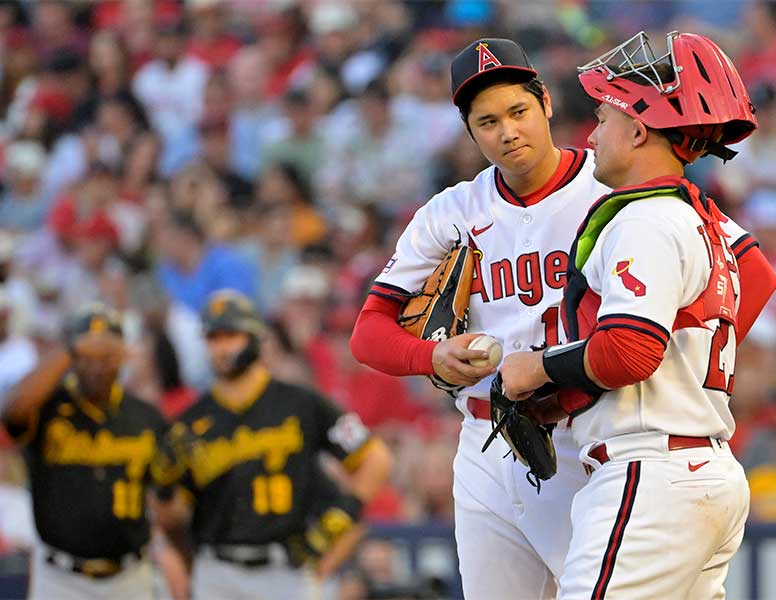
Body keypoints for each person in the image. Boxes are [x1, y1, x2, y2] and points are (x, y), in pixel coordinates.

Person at [499, 31, 776, 598]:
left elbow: (629, 350)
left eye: (603, 117)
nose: (592, 134)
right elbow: (758, 279)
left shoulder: (644, 218)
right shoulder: (697, 214)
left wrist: (541, 369)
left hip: (651, 473)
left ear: (639, 127)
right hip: (700, 467)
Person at [351, 38, 610, 599]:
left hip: (585, 433)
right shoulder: (451, 211)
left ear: (545, 103)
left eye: (518, 111)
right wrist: (430, 355)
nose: (508, 131)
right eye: (487, 121)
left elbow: (742, 269)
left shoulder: (608, 186)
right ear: (471, 132)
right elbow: (368, 332)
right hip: (486, 440)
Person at [155, 290, 393, 600]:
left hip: (286, 569)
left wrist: (342, 515)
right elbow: (173, 516)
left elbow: (375, 458)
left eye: (232, 335)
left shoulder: (301, 403)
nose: (223, 346)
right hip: (216, 571)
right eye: (214, 337)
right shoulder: (188, 423)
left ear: (255, 337)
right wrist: (162, 489)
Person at [1, 303, 180, 600]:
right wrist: (72, 349)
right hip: (61, 579)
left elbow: (165, 499)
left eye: (105, 355)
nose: (96, 364)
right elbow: (12, 411)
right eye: (87, 356)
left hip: (129, 576)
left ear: (121, 356)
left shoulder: (145, 417)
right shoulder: (48, 408)